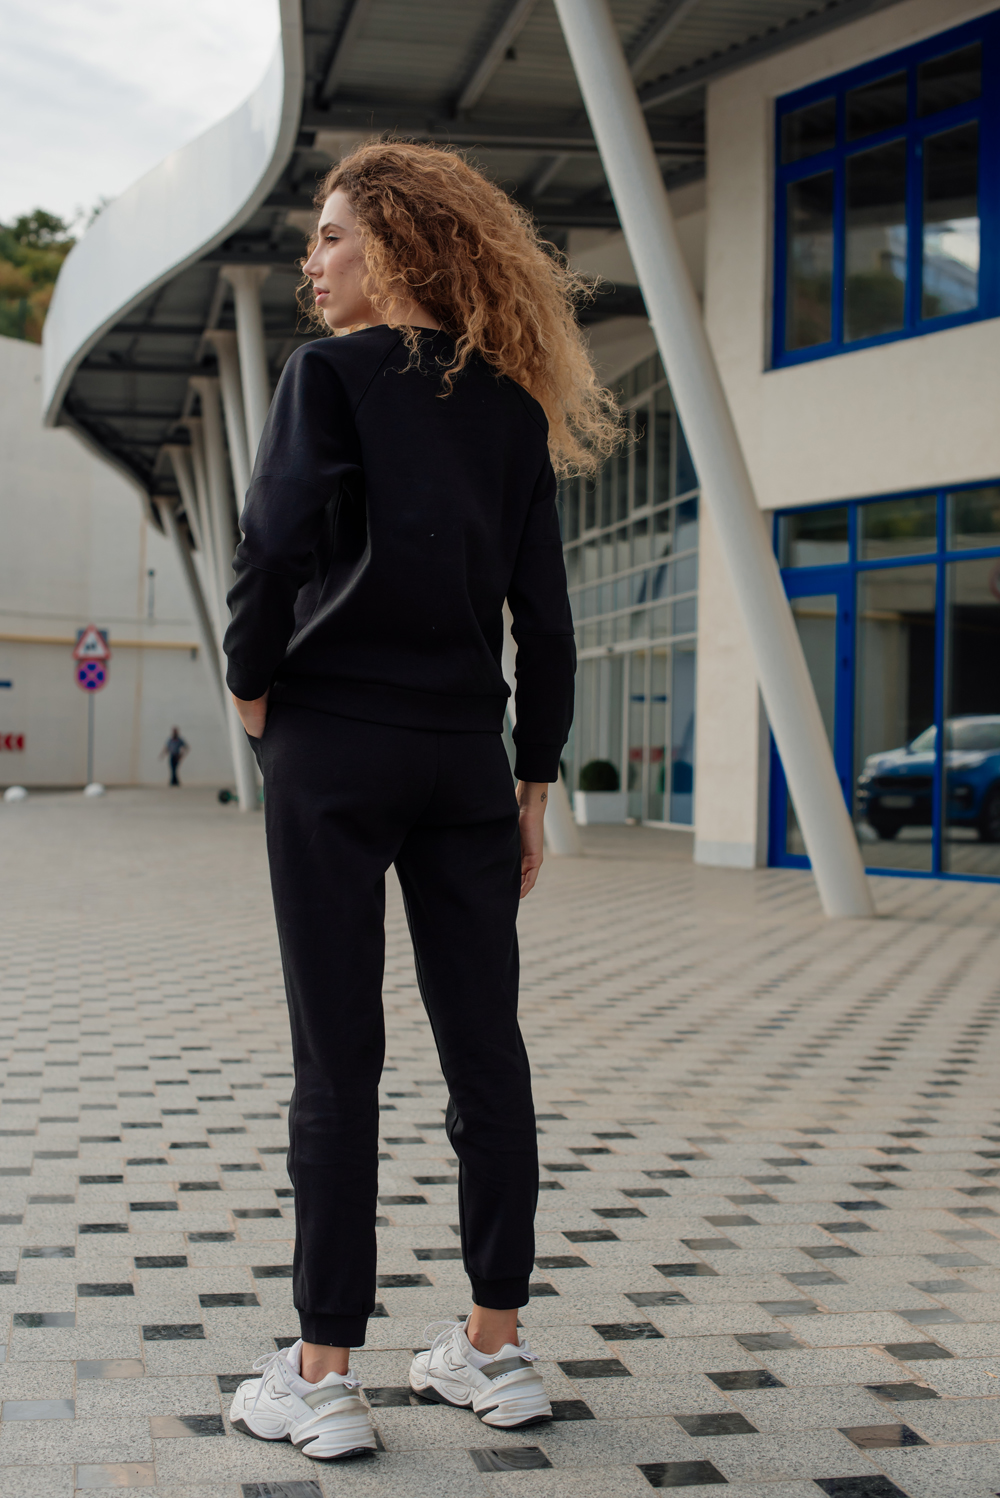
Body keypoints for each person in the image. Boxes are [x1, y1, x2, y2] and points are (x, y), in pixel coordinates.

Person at [223, 139, 619, 1462]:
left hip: (335, 748)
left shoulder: (325, 379)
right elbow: (545, 624)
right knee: (485, 1051)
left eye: (333, 237)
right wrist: (533, 777)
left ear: (393, 245)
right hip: (463, 760)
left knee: (341, 1058)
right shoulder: (508, 407)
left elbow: (274, 546)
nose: (312, 263)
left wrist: (251, 687)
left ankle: (324, 1372)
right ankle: (494, 1348)